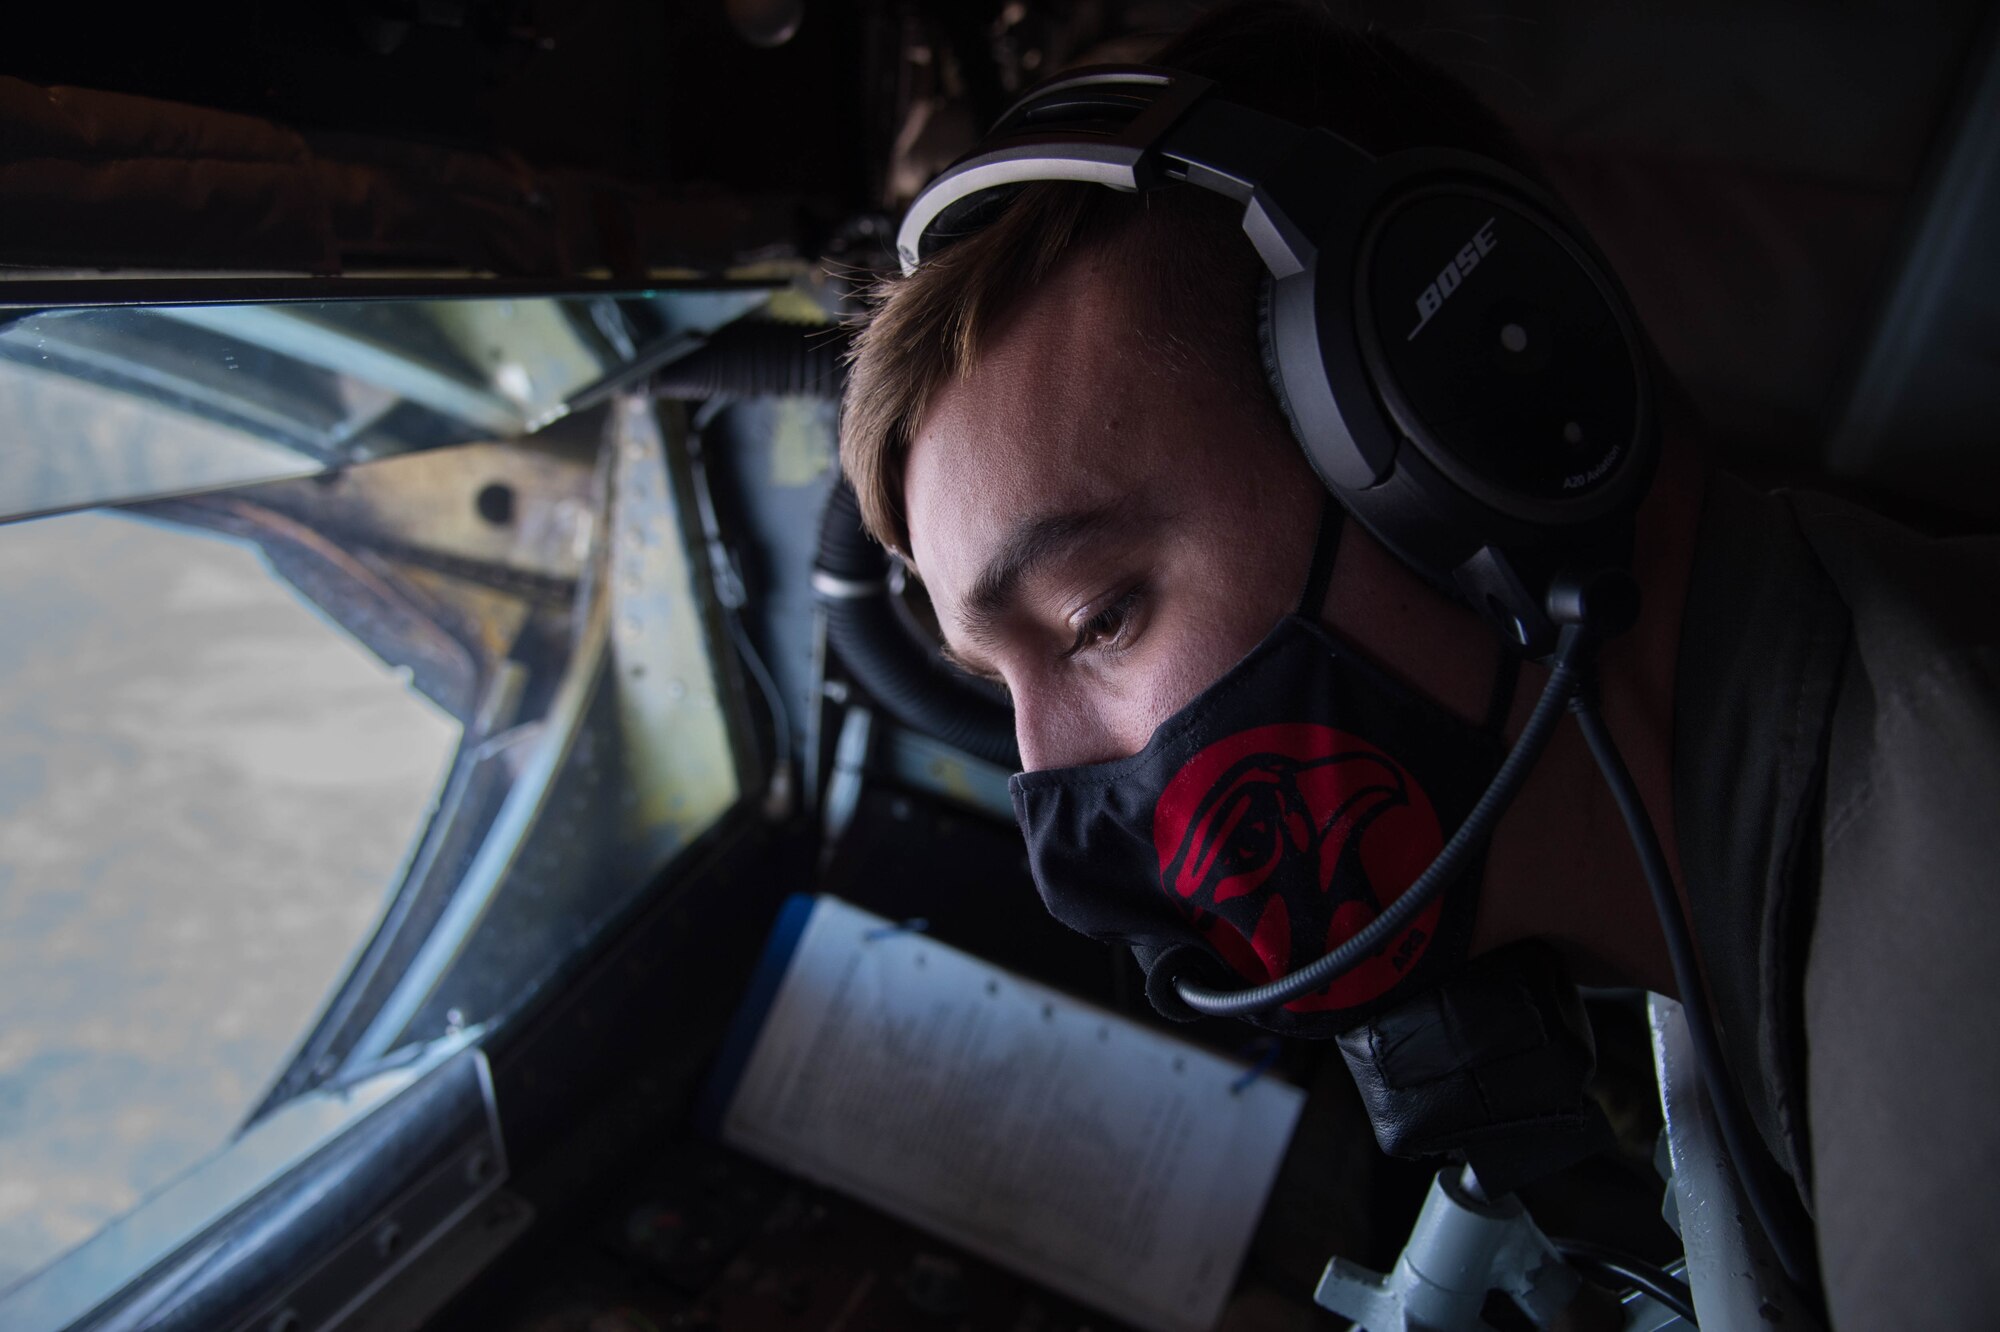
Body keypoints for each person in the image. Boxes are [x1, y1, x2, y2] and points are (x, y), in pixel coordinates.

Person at [838, 4, 2000, 1326]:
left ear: (1466, 418)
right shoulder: (1797, 828)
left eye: (1100, 617)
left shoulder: (1954, 1108)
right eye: (1001, 691)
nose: (1065, 838)